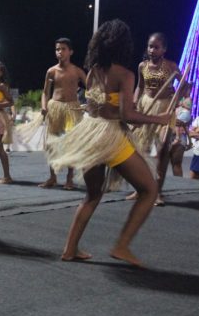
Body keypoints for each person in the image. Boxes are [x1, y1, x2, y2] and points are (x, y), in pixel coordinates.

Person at [46, 19, 170, 267]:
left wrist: (126, 117)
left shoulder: (94, 70)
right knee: (149, 190)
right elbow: (126, 114)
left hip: (90, 133)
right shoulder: (125, 74)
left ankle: (70, 249)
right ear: (123, 45)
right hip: (110, 137)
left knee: (92, 195)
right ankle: (121, 246)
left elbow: (99, 107)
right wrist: (159, 118)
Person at [128, 32, 182, 205]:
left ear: (164, 49)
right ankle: (140, 189)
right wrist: (134, 102)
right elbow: (140, 86)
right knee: (140, 149)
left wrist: (182, 93)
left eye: (156, 47)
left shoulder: (171, 66)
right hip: (146, 106)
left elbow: (184, 87)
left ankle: (157, 192)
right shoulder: (142, 66)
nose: (152, 50)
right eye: (150, 46)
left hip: (165, 108)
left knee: (162, 149)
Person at [38, 38, 87, 189]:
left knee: (71, 143)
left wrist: (89, 104)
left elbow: (90, 89)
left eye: (63, 49)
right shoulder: (51, 71)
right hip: (55, 108)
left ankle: (69, 178)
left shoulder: (77, 71)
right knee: (51, 143)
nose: (60, 52)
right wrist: (44, 106)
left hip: (72, 109)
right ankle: (52, 177)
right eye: (57, 49)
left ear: (71, 52)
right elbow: (45, 92)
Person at [169, 81, 193, 178]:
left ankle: (179, 183)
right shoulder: (169, 100)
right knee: (160, 163)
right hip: (165, 133)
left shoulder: (186, 100)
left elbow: (183, 121)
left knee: (176, 162)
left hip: (179, 133)